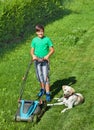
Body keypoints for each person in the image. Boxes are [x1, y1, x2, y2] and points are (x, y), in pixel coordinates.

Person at [30, 24, 54, 102]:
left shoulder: (47, 39)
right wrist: (33, 55)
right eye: (39, 32)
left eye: (42, 31)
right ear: (36, 32)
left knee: (45, 77)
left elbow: (52, 50)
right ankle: (42, 89)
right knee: (39, 76)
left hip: (44, 61)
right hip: (37, 60)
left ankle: (47, 93)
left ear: (43, 32)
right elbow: (32, 50)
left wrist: (47, 56)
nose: (41, 33)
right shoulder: (34, 40)